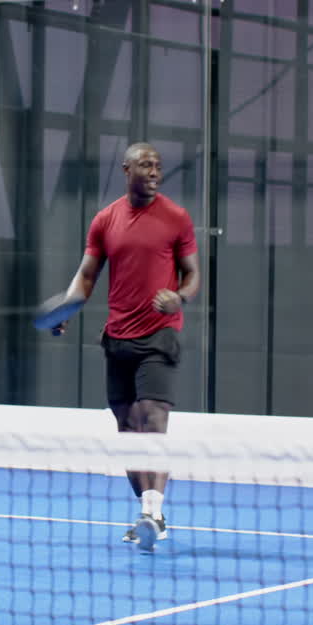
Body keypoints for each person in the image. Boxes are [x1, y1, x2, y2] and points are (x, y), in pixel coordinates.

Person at [52, 142, 199, 552]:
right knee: (127, 430)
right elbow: (87, 275)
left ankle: (153, 513)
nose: (153, 172)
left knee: (153, 418)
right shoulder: (105, 220)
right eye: (145, 165)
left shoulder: (176, 218)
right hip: (117, 338)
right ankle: (146, 511)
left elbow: (192, 275)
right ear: (126, 170)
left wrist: (180, 297)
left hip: (160, 335)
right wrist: (67, 308)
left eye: (158, 166)